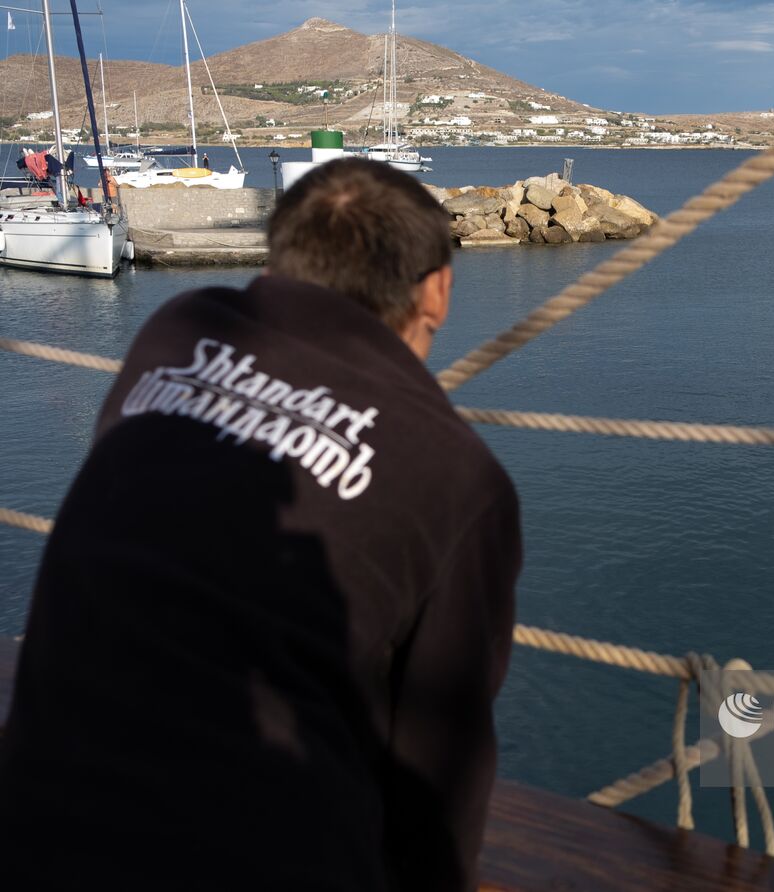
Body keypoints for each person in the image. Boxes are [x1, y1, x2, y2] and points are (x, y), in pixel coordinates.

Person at [0, 158, 521, 892]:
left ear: (278, 261)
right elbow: (437, 770)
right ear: (437, 288)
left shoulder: (177, 333)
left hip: (33, 823)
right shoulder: (460, 475)